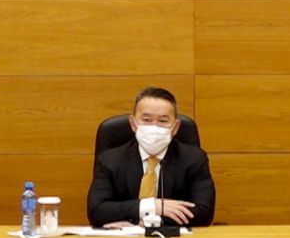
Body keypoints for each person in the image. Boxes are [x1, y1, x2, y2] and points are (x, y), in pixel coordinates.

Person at [88, 86, 216, 228]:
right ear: (133, 124)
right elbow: (97, 212)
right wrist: (153, 206)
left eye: (163, 121)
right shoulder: (109, 160)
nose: (154, 127)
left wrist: (146, 222)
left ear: (175, 128)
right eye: (147, 120)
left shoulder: (194, 159)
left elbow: (204, 213)